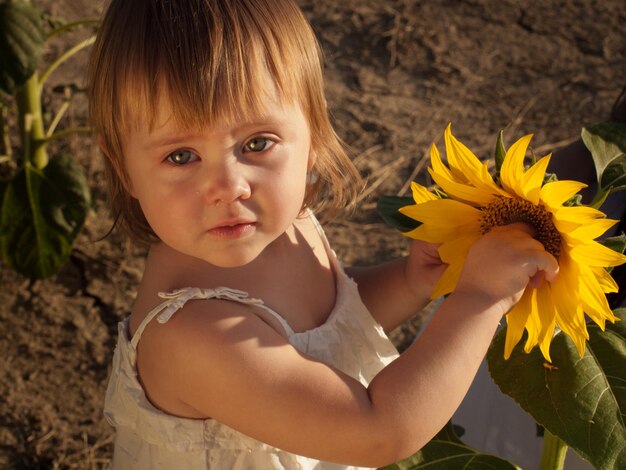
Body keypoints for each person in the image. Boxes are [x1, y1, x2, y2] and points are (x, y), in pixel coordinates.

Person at [87, 0, 559, 468]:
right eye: (181, 156)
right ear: (123, 168)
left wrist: (411, 282)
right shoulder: (193, 336)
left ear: (312, 135)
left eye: (256, 144)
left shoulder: (284, 227)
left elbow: (328, 326)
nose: (229, 188)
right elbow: (380, 432)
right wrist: (480, 298)